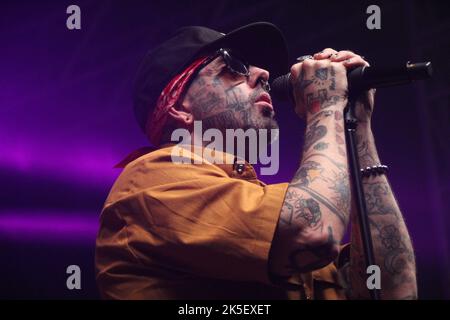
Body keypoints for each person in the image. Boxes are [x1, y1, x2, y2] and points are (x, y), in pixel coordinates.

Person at [95, 22, 417, 299]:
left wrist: (357, 126)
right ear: (179, 106)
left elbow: (394, 290)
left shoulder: (257, 203)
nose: (263, 74)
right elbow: (312, 232)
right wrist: (325, 105)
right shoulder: (150, 183)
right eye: (233, 65)